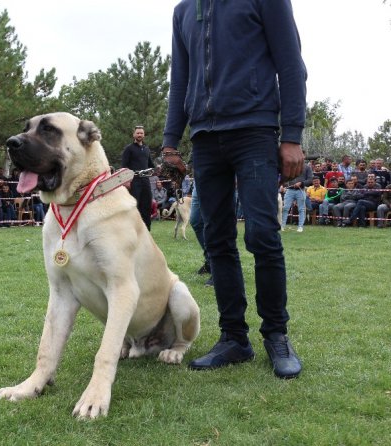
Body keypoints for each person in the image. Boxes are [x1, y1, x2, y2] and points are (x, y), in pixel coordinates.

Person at [162, 0, 306, 378]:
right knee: (217, 237)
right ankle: (233, 338)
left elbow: (291, 65)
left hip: (255, 130)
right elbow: (181, 78)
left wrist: (291, 133)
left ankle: (276, 334)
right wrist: (170, 140)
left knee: (262, 233)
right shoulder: (183, 11)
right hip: (205, 137)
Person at [122, 125, 155, 230]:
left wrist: (158, 169)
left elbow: (151, 165)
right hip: (134, 181)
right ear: (134, 135)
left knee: (147, 205)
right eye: (138, 133)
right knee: (135, 205)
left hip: (145, 181)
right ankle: (132, 229)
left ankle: (147, 230)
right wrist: (127, 181)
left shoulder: (146, 149)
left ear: (144, 135)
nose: (139, 135)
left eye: (141, 133)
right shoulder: (129, 149)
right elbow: (124, 166)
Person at [281, 161, 312, 233]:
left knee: (301, 209)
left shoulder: (307, 167)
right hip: (289, 190)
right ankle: (282, 226)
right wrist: (283, 185)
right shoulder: (290, 166)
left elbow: (310, 179)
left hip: (300, 190)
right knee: (285, 208)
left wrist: (302, 183)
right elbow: (285, 177)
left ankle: (300, 227)